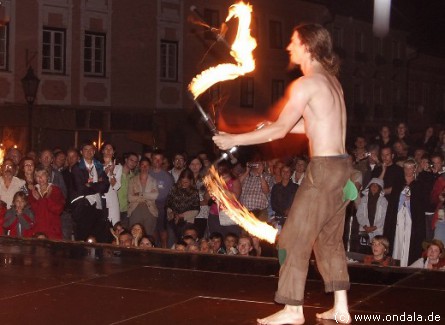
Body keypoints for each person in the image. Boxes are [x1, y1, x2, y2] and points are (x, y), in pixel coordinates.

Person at [213, 23, 354, 324]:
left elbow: (280, 129)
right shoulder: (331, 81)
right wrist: (274, 128)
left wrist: (234, 139)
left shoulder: (306, 83)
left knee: (291, 238)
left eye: (292, 42)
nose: (288, 47)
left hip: (325, 170)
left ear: (306, 45)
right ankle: (340, 307)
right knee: (329, 238)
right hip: (342, 168)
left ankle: (292, 309)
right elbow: (316, 125)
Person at [28, 166, 65, 240]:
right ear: (35, 178)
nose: (40, 178)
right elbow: (33, 209)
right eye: (37, 176)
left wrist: (43, 200)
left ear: (47, 176)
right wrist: (44, 200)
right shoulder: (33, 191)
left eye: (43, 175)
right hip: (38, 229)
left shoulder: (55, 190)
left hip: (52, 228)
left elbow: (58, 209)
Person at [127, 157, 159, 237]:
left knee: (148, 236)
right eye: (142, 165)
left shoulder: (153, 181)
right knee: (134, 236)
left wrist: (140, 194)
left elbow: (155, 196)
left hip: (150, 211)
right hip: (135, 210)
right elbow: (130, 198)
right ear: (139, 166)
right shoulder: (132, 180)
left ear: (150, 167)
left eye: (147, 165)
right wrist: (148, 195)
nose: (144, 167)